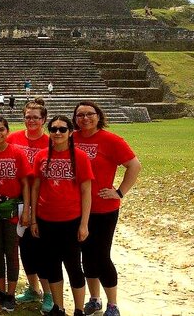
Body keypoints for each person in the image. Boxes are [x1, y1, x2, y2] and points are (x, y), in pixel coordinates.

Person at [73, 102, 141, 316]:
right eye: (80, 115)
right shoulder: (70, 138)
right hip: (76, 208)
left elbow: (134, 165)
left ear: (98, 116)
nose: (85, 118)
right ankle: (94, 299)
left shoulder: (111, 140)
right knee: (86, 255)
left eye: (90, 114)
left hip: (103, 208)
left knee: (101, 256)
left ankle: (112, 304)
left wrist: (119, 192)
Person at [30, 116, 93, 316]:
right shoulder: (41, 155)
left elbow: (86, 191)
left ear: (70, 132)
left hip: (71, 220)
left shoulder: (80, 156)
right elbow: (36, 187)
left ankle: (79, 309)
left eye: (62, 129)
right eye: (54, 129)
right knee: (52, 265)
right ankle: (58, 307)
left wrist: (84, 224)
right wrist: (33, 218)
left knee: (74, 265)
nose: (57, 133)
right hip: (46, 219)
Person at [0, 116, 32, 312]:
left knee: (11, 251)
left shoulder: (17, 153)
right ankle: (0, 291)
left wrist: (26, 208)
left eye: (1, 130)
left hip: (12, 209)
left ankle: (10, 294)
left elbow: (26, 183)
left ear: (7, 131)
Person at [7, 98, 53, 313]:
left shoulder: (51, 142)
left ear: (44, 119)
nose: (31, 120)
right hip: (17, 199)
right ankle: (32, 288)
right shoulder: (13, 138)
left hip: (42, 201)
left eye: (36, 117)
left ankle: (49, 292)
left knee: (41, 248)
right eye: (28, 117)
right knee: (23, 247)